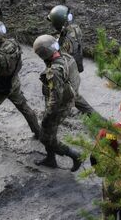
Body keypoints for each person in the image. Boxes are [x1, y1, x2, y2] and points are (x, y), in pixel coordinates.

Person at [33, 34, 82, 171]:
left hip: (59, 107)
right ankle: (50, 159)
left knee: (45, 137)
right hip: (67, 100)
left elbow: (55, 101)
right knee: (50, 134)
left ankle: (73, 155)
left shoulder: (54, 72)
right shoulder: (66, 57)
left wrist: (47, 117)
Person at [47, 4, 96, 116]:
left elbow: (57, 58)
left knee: (73, 96)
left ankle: (98, 119)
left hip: (67, 71)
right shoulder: (75, 28)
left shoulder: (60, 42)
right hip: (76, 66)